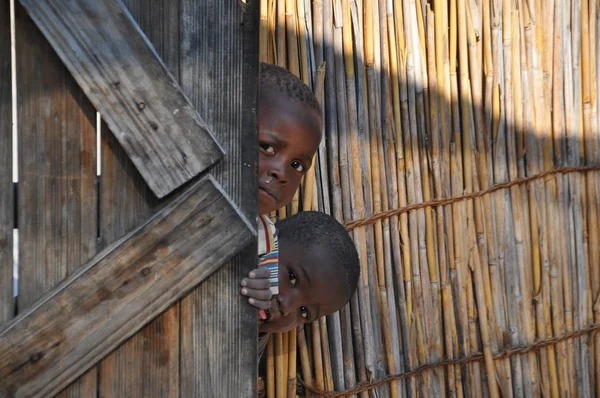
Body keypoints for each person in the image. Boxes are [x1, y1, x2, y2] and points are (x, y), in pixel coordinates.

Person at [241, 211, 361, 359]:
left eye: (304, 312)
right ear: (268, 239)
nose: (286, 306)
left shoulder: (247, 355)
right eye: (292, 277)